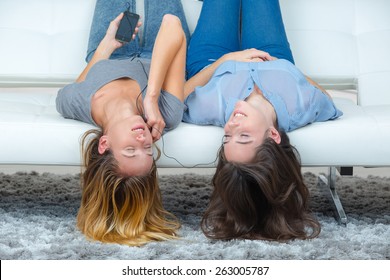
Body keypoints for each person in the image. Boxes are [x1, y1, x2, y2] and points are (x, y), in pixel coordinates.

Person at [183, 0, 343, 241]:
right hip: (273, 55)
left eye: (226, 136)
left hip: (211, 60)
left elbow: (180, 96)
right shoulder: (300, 107)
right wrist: (284, 67)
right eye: (243, 136)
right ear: (273, 135)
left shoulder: (210, 108)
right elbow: (327, 100)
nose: (231, 125)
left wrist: (224, 61)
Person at [56, 13, 187, 246]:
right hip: (162, 50)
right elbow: (171, 24)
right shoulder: (164, 114)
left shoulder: (75, 104)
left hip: (111, 49)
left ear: (104, 143)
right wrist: (152, 98)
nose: (143, 140)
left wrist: (107, 44)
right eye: (148, 151)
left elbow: (78, 86)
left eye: (129, 150)